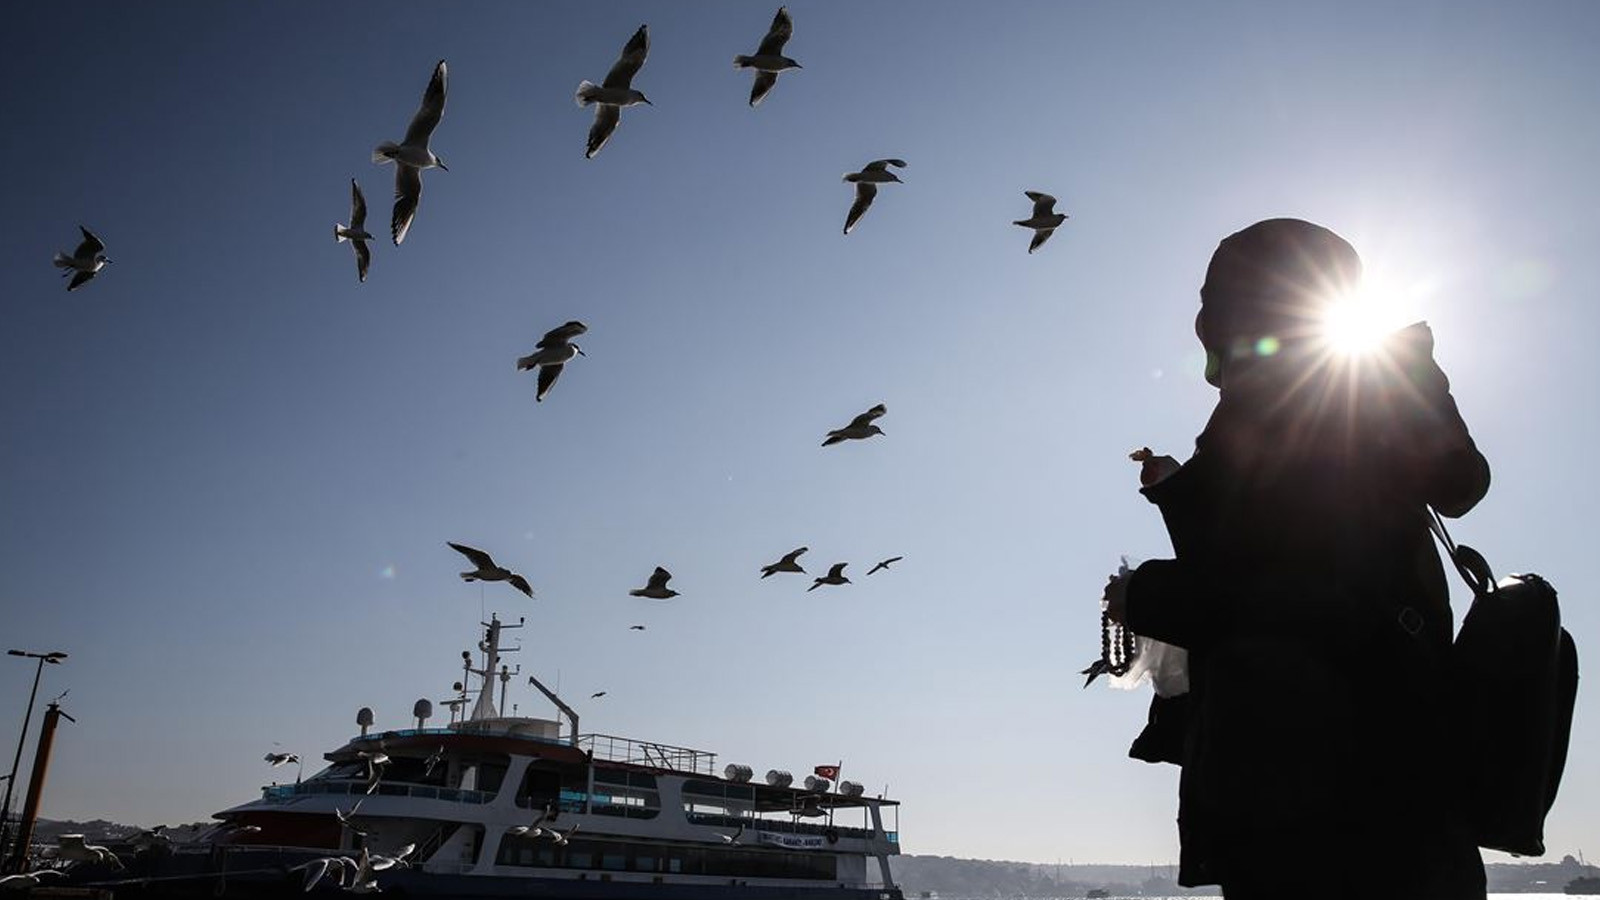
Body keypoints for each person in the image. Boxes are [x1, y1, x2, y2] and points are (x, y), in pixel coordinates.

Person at [1103, 219, 1491, 900]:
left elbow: (1288, 598)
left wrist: (1144, 595)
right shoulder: (1358, 392)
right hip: (1399, 775)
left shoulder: (1290, 409)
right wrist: (1184, 492)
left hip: (1308, 792)